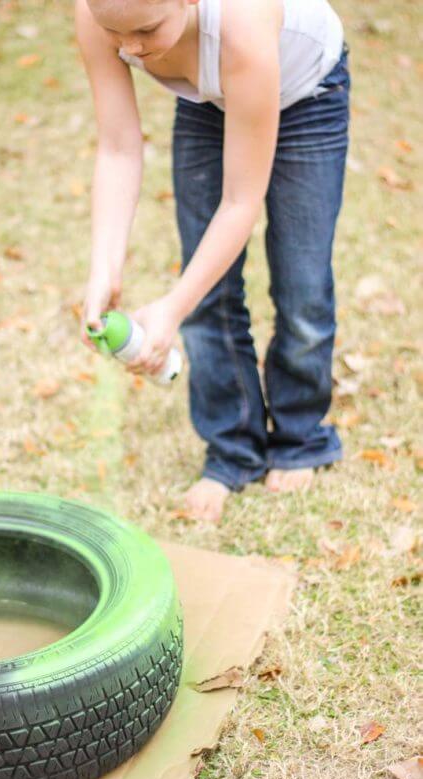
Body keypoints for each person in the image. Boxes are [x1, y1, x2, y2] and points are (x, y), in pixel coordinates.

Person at [76, 0, 351, 522]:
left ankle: (300, 440)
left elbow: (240, 202)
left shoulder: (242, 24)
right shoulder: (100, 13)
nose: (130, 47)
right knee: (208, 293)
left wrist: (170, 309)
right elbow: (117, 146)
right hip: (210, 101)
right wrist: (103, 269)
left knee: (302, 286)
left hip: (307, 93)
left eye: (146, 30)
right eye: (117, 34)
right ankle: (233, 450)